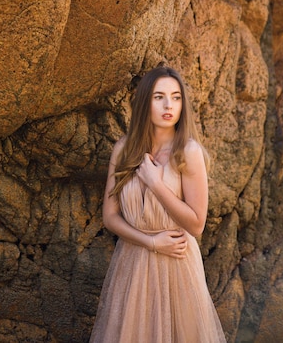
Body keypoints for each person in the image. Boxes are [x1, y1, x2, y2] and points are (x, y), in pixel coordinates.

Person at [89, 66, 226, 343]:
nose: (168, 105)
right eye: (159, 97)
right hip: (133, 261)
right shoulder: (124, 149)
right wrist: (150, 242)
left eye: (176, 98)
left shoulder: (188, 152)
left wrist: (155, 183)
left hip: (177, 264)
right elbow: (110, 216)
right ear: (144, 102)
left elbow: (197, 223)